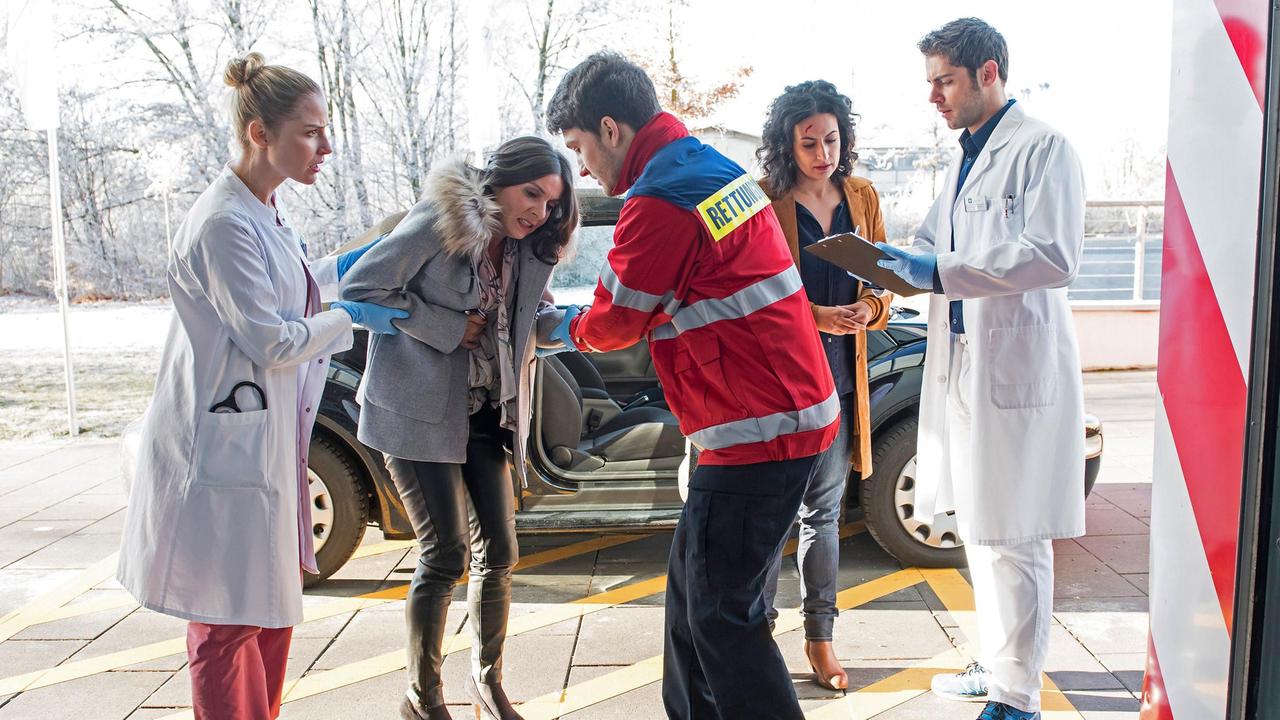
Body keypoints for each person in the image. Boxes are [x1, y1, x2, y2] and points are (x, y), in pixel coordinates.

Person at [545, 51, 840, 720]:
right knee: (692, 609)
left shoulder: (658, 201)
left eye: (580, 147)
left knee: (721, 620)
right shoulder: (706, 169)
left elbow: (618, 319)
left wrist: (559, 329)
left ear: (611, 129)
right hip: (782, 415)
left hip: (759, 434)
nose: (583, 167)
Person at [116, 53, 406, 720]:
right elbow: (271, 338)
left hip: (259, 442)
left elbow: (294, 286)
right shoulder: (221, 222)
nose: (325, 146)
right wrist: (352, 319)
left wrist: (352, 268)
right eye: (310, 131)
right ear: (258, 133)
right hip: (219, 449)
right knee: (226, 621)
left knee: (269, 614)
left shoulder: (263, 210)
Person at [874, 18, 1086, 720]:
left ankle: (1016, 697)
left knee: (1016, 532)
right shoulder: (966, 157)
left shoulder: (1043, 148)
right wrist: (886, 270)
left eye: (945, 80)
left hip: (1014, 366)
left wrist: (936, 268)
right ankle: (997, 661)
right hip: (962, 361)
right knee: (978, 525)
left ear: (988, 72)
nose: (934, 95)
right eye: (930, 82)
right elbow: (936, 245)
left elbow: (1053, 255)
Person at [339, 136, 578, 720]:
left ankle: (487, 683)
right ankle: (422, 698)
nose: (539, 211)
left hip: (485, 411)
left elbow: (534, 320)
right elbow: (359, 288)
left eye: (551, 203)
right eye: (531, 194)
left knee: (499, 549)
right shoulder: (438, 223)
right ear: (498, 181)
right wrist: (446, 325)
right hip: (414, 408)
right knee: (445, 554)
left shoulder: (527, 249)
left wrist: (577, 326)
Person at [756, 79, 894, 692]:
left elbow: (886, 277)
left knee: (824, 514)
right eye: (808, 142)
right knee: (767, 516)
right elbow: (753, 294)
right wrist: (815, 316)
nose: (822, 152)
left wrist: (870, 308)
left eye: (831, 139)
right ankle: (756, 638)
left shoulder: (861, 196)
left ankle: (821, 640)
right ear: (788, 146)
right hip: (780, 387)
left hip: (840, 384)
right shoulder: (764, 200)